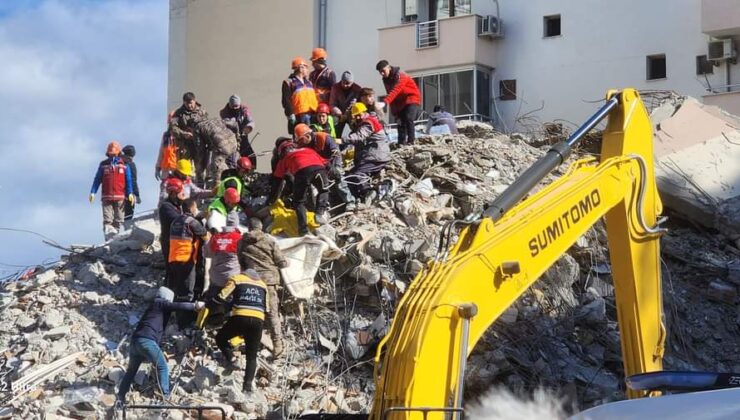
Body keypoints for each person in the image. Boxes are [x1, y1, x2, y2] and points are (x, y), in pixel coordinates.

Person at [117, 287, 204, 402]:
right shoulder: (159, 303)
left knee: (131, 371)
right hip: (147, 341)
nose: (170, 302)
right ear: (166, 298)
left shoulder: (153, 309)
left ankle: (120, 397)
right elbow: (177, 306)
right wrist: (195, 306)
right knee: (162, 366)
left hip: (135, 343)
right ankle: (166, 398)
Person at [237, 218, 288, 356]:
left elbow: (240, 261)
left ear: (249, 228)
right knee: (272, 313)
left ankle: (250, 343)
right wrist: (284, 262)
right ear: (261, 227)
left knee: (252, 311)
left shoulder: (241, 242)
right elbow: (282, 262)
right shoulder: (270, 240)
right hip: (269, 281)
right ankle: (277, 344)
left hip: (250, 280)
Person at [212, 267, 267, 393]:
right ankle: (247, 388)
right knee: (251, 356)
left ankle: (231, 359)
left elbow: (222, 296)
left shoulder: (237, 279)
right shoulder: (263, 285)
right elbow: (267, 308)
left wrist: (209, 306)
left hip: (240, 317)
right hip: (258, 320)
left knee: (220, 338)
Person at [271, 141, 331, 235]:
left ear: (282, 152)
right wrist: (337, 176)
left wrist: (272, 198)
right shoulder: (309, 150)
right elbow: (327, 164)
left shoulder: (284, 159)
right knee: (324, 190)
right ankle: (319, 213)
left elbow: (277, 181)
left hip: (302, 173)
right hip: (320, 169)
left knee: (298, 202)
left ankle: (303, 230)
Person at [294, 123, 355, 211]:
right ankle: (327, 206)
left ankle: (350, 201)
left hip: (332, 162)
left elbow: (336, 153)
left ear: (307, 136)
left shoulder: (324, 137)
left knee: (339, 180)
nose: (300, 143)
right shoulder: (305, 146)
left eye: (301, 140)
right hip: (321, 166)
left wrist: (336, 167)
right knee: (320, 185)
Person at [168, 198, 209, 327]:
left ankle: (175, 315)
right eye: (195, 207)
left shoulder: (175, 221)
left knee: (178, 289)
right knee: (187, 293)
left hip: (173, 260)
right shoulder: (191, 222)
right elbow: (205, 236)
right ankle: (184, 322)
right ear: (192, 208)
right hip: (186, 260)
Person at [342, 103, 391, 203]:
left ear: (364, 112)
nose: (358, 117)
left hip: (376, 157)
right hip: (375, 155)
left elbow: (359, 136)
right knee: (351, 174)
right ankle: (361, 196)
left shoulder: (368, 123)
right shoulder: (367, 121)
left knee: (357, 174)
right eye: (356, 116)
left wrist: (341, 140)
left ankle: (368, 192)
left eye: (359, 115)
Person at [89, 141, 135, 241]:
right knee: (108, 220)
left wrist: (130, 193)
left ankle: (116, 240)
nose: (112, 155)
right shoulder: (103, 165)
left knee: (119, 220)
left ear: (119, 153)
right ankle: (109, 241)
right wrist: (93, 192)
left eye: (114, 153)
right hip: (107, 197)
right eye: (111, 153)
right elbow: (97, 179)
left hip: (120, 197)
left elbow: (128, 180)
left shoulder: (124, 165)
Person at [202, 220, 241, 324]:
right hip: (232, 278)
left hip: (216, 277)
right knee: (231, 299)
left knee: (212, 298)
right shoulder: (238, 238)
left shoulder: (215, 237)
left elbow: (206, 254)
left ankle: (209, 320)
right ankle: (229, 321)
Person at [376, 60, 421, 145]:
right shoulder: (385, 80)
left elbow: (396, 90)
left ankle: (411, 141)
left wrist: (385, 102)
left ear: (389, 67)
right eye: (380, 72)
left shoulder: (400, 75)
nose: (382, 73)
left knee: (408, 118)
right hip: (400, 102)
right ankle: (401, 143)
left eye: (383, 71)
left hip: (411, 98)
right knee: (400, 122)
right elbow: (391, 94)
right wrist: (395, 112)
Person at [169, 92, 209, 183]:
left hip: (199, 146)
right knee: (183, 167)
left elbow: (208, 127)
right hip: (185, 145)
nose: (190, 105)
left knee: (200, 169)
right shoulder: (178, 113)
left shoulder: (202, 112)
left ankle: (200, 188)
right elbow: (173, 128)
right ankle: (183, 187)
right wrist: (184, 134)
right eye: (187, 103)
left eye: (191, 103)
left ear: (195, 101)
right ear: (184, 102)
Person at [191, 116, 239, 187]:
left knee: (216, 168)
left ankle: (217, 190)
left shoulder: (197, 127)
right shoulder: (216, 119)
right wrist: (238, 135)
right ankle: (233, 180)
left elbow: (200, 150)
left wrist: (200, 168)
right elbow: (234, 124)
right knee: (231, 164)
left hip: (221, 145)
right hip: (233, 142)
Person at [281, 57, 318, 134]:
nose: (307, 70)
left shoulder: (309, 82)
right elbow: (286, 100)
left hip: (312, 115)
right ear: (301, 68)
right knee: (301, 138)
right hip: (299, 116)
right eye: (306, 67)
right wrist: (290, 114)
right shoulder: (289, 82)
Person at [159, 178, 185, 287]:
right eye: (180, 192)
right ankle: (169, 291)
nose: (182, 194)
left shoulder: (177, 205)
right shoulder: (166, 207)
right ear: (173, 193)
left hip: (175, 242)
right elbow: (179, 220)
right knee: (171, 269)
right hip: (169, 242)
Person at [220, 94, 257, 167]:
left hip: (243, 136)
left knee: (251, 156)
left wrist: (248, 127)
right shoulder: (224, 112)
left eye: (237, 106)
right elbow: (229, 123)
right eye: (233, 106)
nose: (235, 108)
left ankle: (251, 170)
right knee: (233, 158)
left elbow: (251, 121)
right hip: (231, 138)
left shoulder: (244, 110)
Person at [329, 71, 363, 136]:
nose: (345, 85)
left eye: (348, 83)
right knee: (335, 130)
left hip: (352, 114)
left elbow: (359, 104)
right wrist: (339, 113)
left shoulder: (358, 89)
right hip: (339, 114)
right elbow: (332, 104)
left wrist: (350, 114)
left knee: (357, 129)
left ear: (352, 82)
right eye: (343, 82)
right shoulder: (335, 88)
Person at [121, 145, 141, 230]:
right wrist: (137, 195)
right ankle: (127, 232)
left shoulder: (118, 163)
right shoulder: (131, 165)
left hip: (119, 194)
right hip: (129, 195)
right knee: (128, 217)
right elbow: (133, 180)